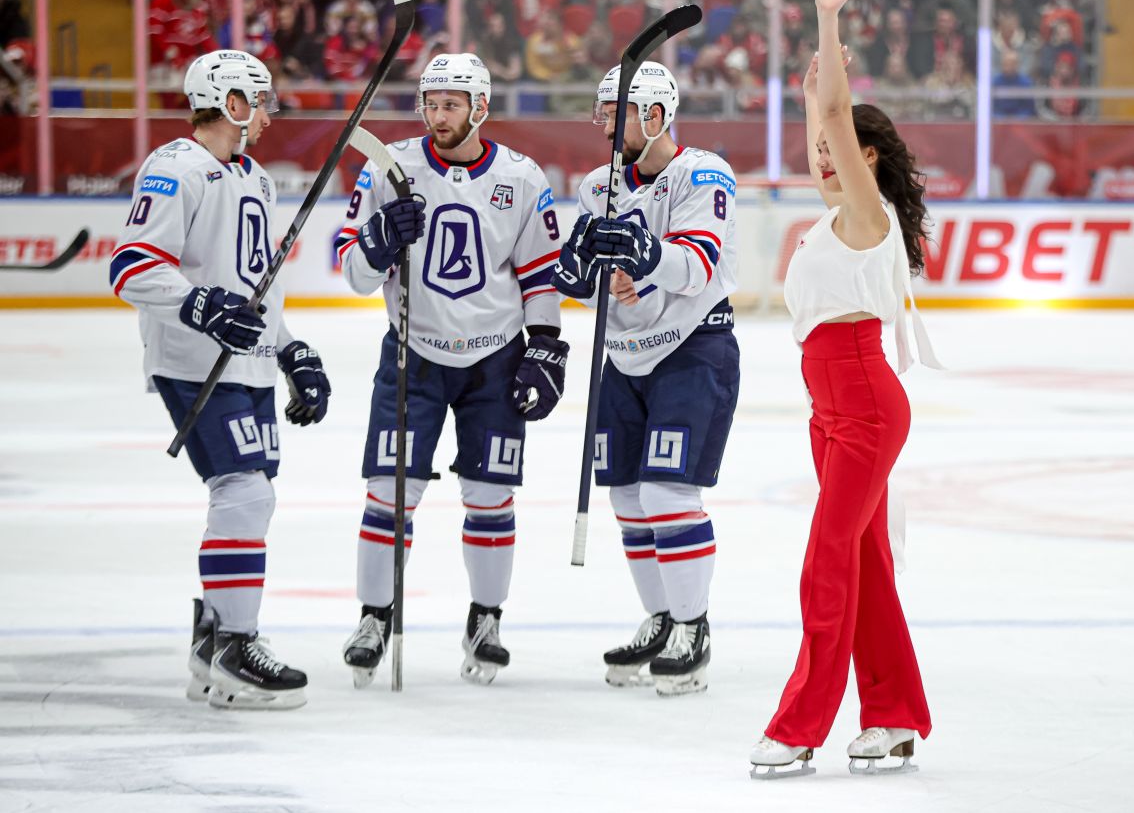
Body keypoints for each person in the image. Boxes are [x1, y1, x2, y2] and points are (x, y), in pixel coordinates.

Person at [749, 0, 940, 778]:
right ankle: (894, 717)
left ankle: (800, 725)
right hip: (829, 407)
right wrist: (808, 98)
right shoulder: (838, 214)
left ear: (870, 159)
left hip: (863, 400)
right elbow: (821, 121)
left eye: (838, 151)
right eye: (819, 151)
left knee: (828, 561)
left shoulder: (867, 213)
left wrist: (827, 22)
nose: (823, 159)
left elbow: (835, 113)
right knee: (864, 563)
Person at [110, 49, 332, 711]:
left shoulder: (256, 178)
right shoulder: (175, 168)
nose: (268, 115)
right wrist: (200, 307)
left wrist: (291, 351)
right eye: (259, 102)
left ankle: (212, 644)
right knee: (243, 491)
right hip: (193, 361)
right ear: (231, 103)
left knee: (252, 497)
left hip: (249, 364)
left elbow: (253, 288)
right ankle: (235, 645)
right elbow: (131, 266)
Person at [336, 53, 566, 688]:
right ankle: (374, 616)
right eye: (431, 104)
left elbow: (540, 274)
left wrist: (546, 344)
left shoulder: (521, 177)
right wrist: (381, 238)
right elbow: (354, 271)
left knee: (490, 496)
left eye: (451, 105)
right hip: (413, 354)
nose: (438, 116)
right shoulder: (390, 169)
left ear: (480, 108)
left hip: (496, 359)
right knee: (390, 493)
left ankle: (485, 620)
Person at [551, 62, 739, 697]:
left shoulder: (704, 173)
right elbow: (587, 282)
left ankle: (693, 627)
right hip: (624, 356)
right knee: (628, 498)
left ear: (655, 117)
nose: (603, 126)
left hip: (692, 349)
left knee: (667, 494)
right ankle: (661, 620)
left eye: (615, 115)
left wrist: (644, 256)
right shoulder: (597, 186)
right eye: (602, 113)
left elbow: (697, 264)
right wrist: (581, 273)